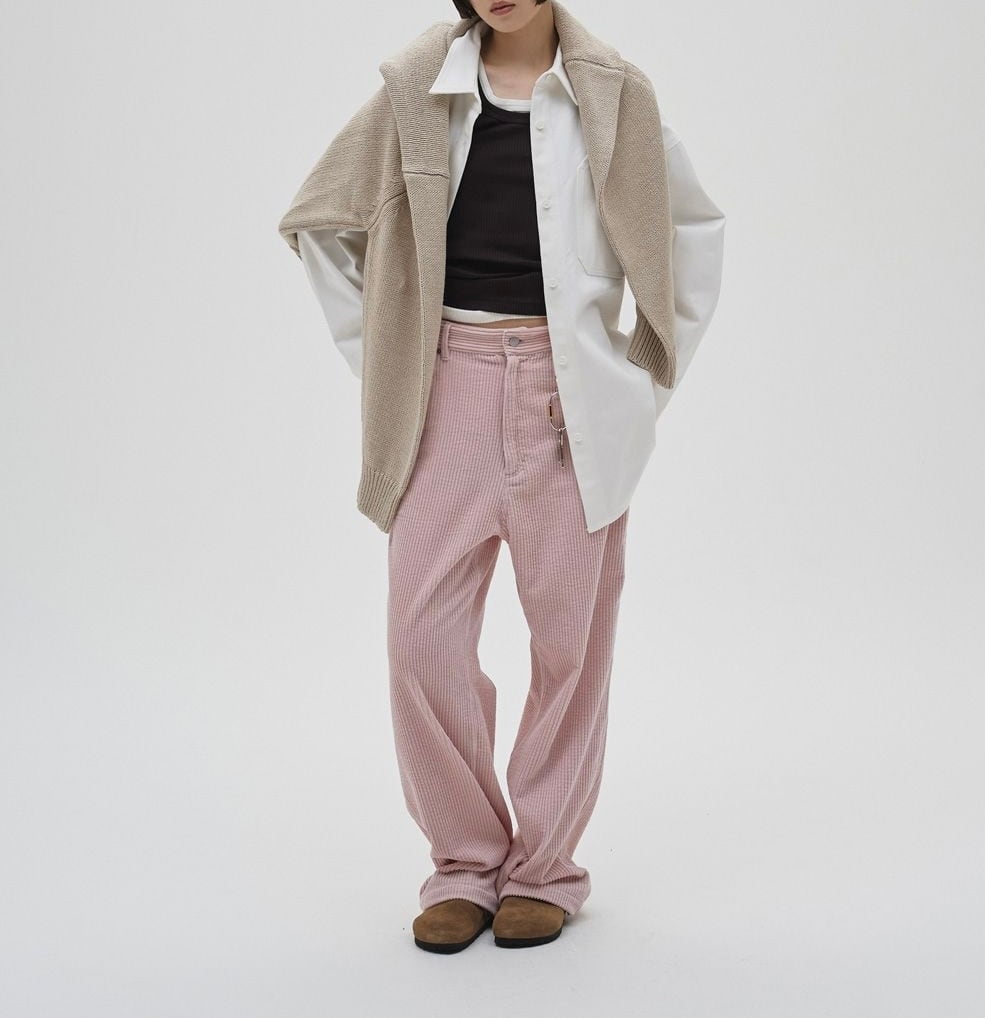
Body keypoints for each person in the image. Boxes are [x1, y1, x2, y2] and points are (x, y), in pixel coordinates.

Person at [278, 0, 725, 953]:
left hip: (572, 403)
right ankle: (464, 861)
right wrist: (386, 363)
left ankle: (544, 870)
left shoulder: (615, 95)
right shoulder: (418, 89)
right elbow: (322, 220)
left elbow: (691, 232)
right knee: (420, 639)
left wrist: (639, 386)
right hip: (445, 390)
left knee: (571, 646)